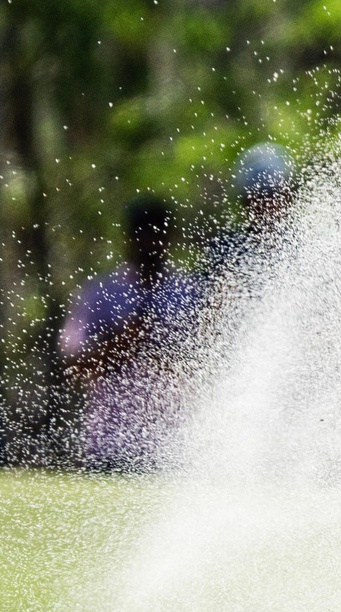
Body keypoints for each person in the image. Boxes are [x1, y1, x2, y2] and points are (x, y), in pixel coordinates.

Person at [60, 196, 203, 471]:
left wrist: (169, 350)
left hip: (172, 445)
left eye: (156, 233)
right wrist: (120, 343)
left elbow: (209, 366)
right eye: (142, 233)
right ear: (128, 237)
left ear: (169, 238)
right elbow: (71, 364)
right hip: (110, 444)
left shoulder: (188, 294)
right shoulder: (102, 293)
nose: (149, 242)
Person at [206, 142, 296, 278]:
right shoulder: (227, 250)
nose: (266, 205)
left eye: (273, 195)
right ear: (245, 203)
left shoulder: (310, 246)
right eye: (257, 198)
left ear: (288, 196)